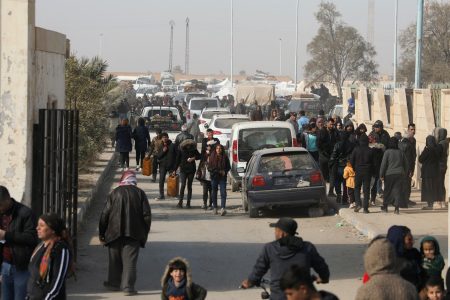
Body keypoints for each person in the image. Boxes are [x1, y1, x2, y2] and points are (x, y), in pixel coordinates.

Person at [241, 218, 330, 300]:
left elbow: (259, 270)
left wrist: (249, 282)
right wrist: (323, 278)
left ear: (282, 234)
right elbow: (322, 267)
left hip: (278, 297)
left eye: (276, 230)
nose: (274, 233)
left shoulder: (269, 248)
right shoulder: (307, 247)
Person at [99, 171, 152, 296]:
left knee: (114, 260)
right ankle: (128, 287)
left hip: (113, 232)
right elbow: (147, 216)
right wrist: (144, 232)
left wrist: (102, 233)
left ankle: (113, 283)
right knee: (130, 262)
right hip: (134, 233)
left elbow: (104, 214)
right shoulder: (140, 193)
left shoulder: (115, 192)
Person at [0, 186, 38, 300]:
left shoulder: (25, 213)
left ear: (7, 200)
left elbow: (31, 238)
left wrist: (6, 235)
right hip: (5, 265)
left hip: (22, 266)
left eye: (0, 205)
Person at [26, 214, 72, 300]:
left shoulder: (60, 249)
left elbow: (58, 280)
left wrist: (48, 298)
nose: (37, 228)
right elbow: (33, 275)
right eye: (38, 225)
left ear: (53, 230)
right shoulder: (40, 246)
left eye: (42, 226)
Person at [386, 225, 422, 290]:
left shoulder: (414, 253)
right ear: (399, 240)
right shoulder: (387, 261)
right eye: (409, 239)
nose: (412, 242)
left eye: (412, 239)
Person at [379, 137, 408, 214]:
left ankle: (385, 207)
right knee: (397, 191)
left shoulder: (387, 152)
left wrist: (381, 174)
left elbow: (383, 165)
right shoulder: (401, 152)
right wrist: (405, 173)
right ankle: (396, 208)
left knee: (387, 190)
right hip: (400, 174)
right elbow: (406, 164)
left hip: (389, 174)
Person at [173, 139, 201, 208]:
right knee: (183, 185)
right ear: (184, 145)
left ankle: (188, 203)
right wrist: (174, 170)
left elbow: (200, 156)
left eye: (190, 145)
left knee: (189, 186)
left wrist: (193, 158)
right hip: (183, 169)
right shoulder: (181, 150)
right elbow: (177, 160)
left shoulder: (194, 150)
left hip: (191, 170)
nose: (188, 146)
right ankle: (180, 202)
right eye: (187, 145)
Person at [350, 134, 374, 213]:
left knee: (357, 188)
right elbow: (373, 163)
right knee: (366, 189)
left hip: (358, 171)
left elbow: (351, 161)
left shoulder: (356, 149)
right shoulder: (370, 150)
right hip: (367, 171)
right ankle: (366, 208)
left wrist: (354, 168)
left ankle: (358, 204)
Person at [368, 120, 390, 205]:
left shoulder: (385, 134)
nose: (376, 128)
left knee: (383, 176)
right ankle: (373, 197)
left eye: (378, 127)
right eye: (375, 127)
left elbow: (388, 144)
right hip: (374, 159)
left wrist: (383, 147)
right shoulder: (372, 134)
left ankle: (382, 192)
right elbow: (368, 144)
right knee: (375, 177)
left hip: (383, 157)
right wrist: (376, 145)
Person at [208, 144, 230, 216]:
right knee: (214, 192)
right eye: (217, 148)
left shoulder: (225, 157)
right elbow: (209, 168)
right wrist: (217, 171)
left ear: (222, 149)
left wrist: (224, 171)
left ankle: (223, 208)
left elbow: (228, 167)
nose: (218, 150)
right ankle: (215, 208)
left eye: (220, 148)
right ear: (215, 149)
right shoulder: (212, 156)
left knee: (223, 192)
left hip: (222, 178)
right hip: (214, 177)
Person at [419, 136, 441, 210]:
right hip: (435, 172)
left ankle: (430, 204)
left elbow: (420, 159)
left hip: (427, 173)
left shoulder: (427, 150)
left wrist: (425, 149)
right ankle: (433, 203)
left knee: (428, 188)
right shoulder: (437, 149)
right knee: (433, 188)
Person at [317, 118, 338, 194]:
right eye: (331, 124)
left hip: (332, 157)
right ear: (326, 124)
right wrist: (323, 152)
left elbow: (337, 142)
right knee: (323, 175)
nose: (332, 126)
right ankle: (322, 192)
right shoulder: (321, 132)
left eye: (333, 124)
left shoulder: (335, 132)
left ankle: (331, 191)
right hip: (323, 157)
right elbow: (318, 144)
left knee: (332, 174)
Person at [155, 133, 176, 200]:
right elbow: (158, 156)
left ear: (168, 137)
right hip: (162, 166)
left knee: (173, 180)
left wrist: (175, 167)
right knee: (161, 180)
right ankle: (161, 195)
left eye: (166, 137)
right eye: (163, 137)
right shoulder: (159, 145)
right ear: (161, 138)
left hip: (171, 166)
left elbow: (177, 156)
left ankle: (173, 194)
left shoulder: (172, 145)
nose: (164, 138)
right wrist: (163, 151)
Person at [197, 140, 215, 210]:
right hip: (205, 176)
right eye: (207, 146)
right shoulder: (205, 154)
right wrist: (199, 172)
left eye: (209, 146)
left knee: (211, 191)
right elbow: (201, 163)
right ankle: (204, 203)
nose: (207, 147)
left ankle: (210, 204)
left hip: (212, 176)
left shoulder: (215, 155)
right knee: (205, 191)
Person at [437, 128, 449, 206]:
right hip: (444, 165)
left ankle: (440, 201)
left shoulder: (441, 144)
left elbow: (437, 155)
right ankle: (443, 201)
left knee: (439, 184)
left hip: (439, 166)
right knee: (441, 183)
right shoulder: (446, 142)